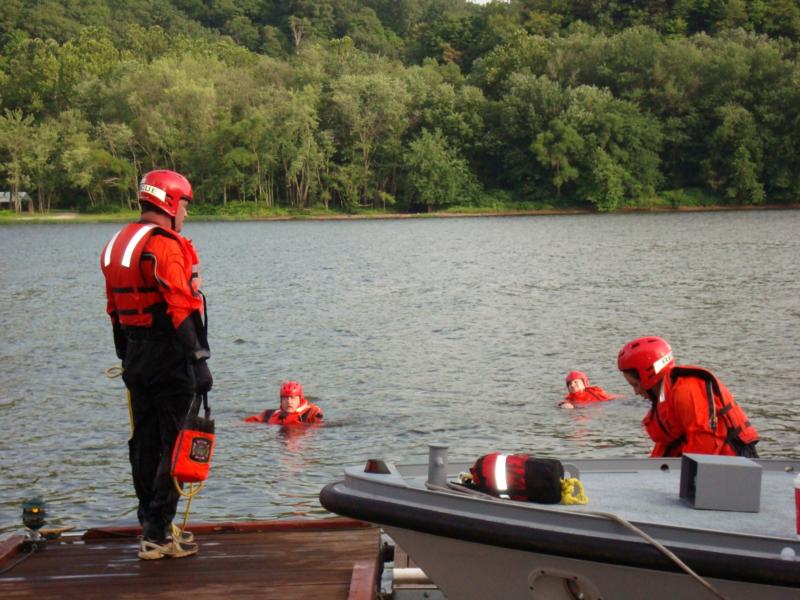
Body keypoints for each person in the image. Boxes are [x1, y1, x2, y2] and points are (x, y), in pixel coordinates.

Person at [101, 169, 212, 560]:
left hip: (135, 355)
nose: (185, 213)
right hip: (170, 355)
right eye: (184, 204)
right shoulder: (164, 246)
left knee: (143, 441)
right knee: (176, 441)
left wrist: (126, 355)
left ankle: (150, 521)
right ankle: (158, 532)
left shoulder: (117, 244)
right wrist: (198, 359)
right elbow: (181, 307)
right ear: (168, 202)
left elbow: (114, 309)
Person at [617, 336, 759, 458]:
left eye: (635, 384)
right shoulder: (663, 397)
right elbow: (667, 445)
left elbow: (705, 440)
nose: (635, 392)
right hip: (711, 463)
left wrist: (689, 481)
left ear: (648, 376)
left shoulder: (687, 390)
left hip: (734, 463)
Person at [245, 381, 323, 425]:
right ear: (281, 400)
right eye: (285, 398)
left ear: (300, 399)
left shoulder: (310, 413)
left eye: (292, 398)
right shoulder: (269, 414)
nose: (289, 401)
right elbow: (248, 422)